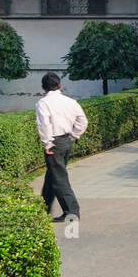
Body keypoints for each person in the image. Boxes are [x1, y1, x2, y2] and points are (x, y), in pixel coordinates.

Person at [36, 72, 87, 222]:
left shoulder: (43, 103)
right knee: (52, 175)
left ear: (43, 88)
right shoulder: (70, 101)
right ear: (59, 86)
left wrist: (47, 143)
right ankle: (43, 209)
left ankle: (72, 211)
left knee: (59, 178)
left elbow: (44, 124)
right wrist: (73, 135)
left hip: (54, 142)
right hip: (66, 141)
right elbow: (83, 121)